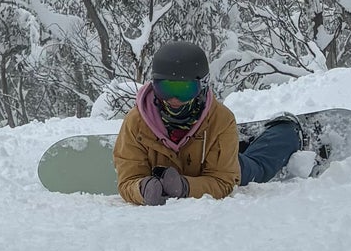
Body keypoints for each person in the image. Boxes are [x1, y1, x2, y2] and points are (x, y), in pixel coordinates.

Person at [113, 41, 307, 206]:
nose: (173, 100)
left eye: (184, 90)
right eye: (165, 88)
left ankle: (287, 131)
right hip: (199, 162)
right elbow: (128, 180)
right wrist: (143, 189)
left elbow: (223, 181)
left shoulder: (220, 120)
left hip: (217, 166)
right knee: (235, 154)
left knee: (258, 168)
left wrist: (185, 187)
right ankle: (242, 142)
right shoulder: (136, 122)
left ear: (202, 86)